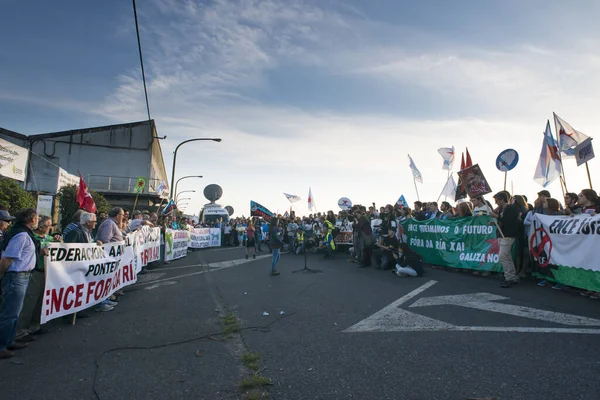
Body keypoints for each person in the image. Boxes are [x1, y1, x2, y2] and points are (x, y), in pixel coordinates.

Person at [0, 209, 41, 360]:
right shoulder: (21, 235)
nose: (38, 220)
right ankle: (1, 345)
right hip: (16, 276)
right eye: (37, 218)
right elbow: (7, 259)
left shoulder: (24, 233)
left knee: (14, 313)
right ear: (31, 219)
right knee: (9, 313)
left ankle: (9, 341)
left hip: (21, 277)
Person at [16, 216, 56, 340]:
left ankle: (35, 326)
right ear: (40, 226)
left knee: (41, 300)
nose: (50, 228)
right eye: (48, 226)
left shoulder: (50, 238)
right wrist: (40, 252)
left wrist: (58, 239)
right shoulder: (32, 237)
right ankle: (20, 331)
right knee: (29, 301)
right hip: (36, 272)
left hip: (47, 272)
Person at [492, 192, 521, 288]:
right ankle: (512, 276)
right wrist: (494, 223)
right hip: (501, 234)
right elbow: (502, 221)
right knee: (506, 256)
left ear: (502, 199)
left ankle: (508, 277)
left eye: (497, 200)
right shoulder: (501, 209)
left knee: (503, 256)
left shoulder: (511, 208)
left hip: (508, 235)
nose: (496, 203)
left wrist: (496, 216)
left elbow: (509, 221)